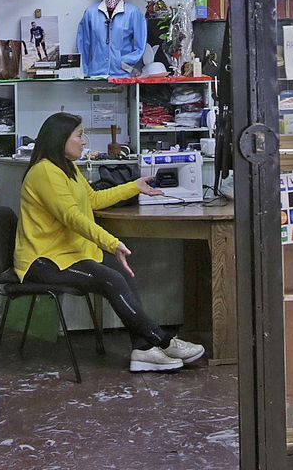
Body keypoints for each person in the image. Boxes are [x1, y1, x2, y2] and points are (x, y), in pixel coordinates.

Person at [13, 112, 207, 372]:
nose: (84, 141)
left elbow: (92, 200)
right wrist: (112, 243)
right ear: (60, 140)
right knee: (111, 278)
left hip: (68, 253)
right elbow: (72, 217)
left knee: (121, 274)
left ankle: (142, 350)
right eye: (80, 135)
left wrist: (134, 187)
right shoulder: (45, 172)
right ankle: (161, 340)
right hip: (44, 260)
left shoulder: (67, 168)